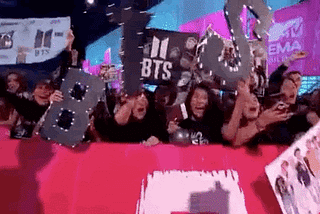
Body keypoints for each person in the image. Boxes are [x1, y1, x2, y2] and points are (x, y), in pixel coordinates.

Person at [222, 78, 290, 147]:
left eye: (254, 100)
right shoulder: (230, 127)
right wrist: (259, 123)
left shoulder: (269, 129)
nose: (252, 103)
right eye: (247, 101)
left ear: (260, 107)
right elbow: (234, 140)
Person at [94, 90, 168, 145]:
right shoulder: (105, 117)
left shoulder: (153, 118)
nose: (143, 99)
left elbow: (163, 138)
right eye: (138, 95)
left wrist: (156, 140)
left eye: (145, 96)